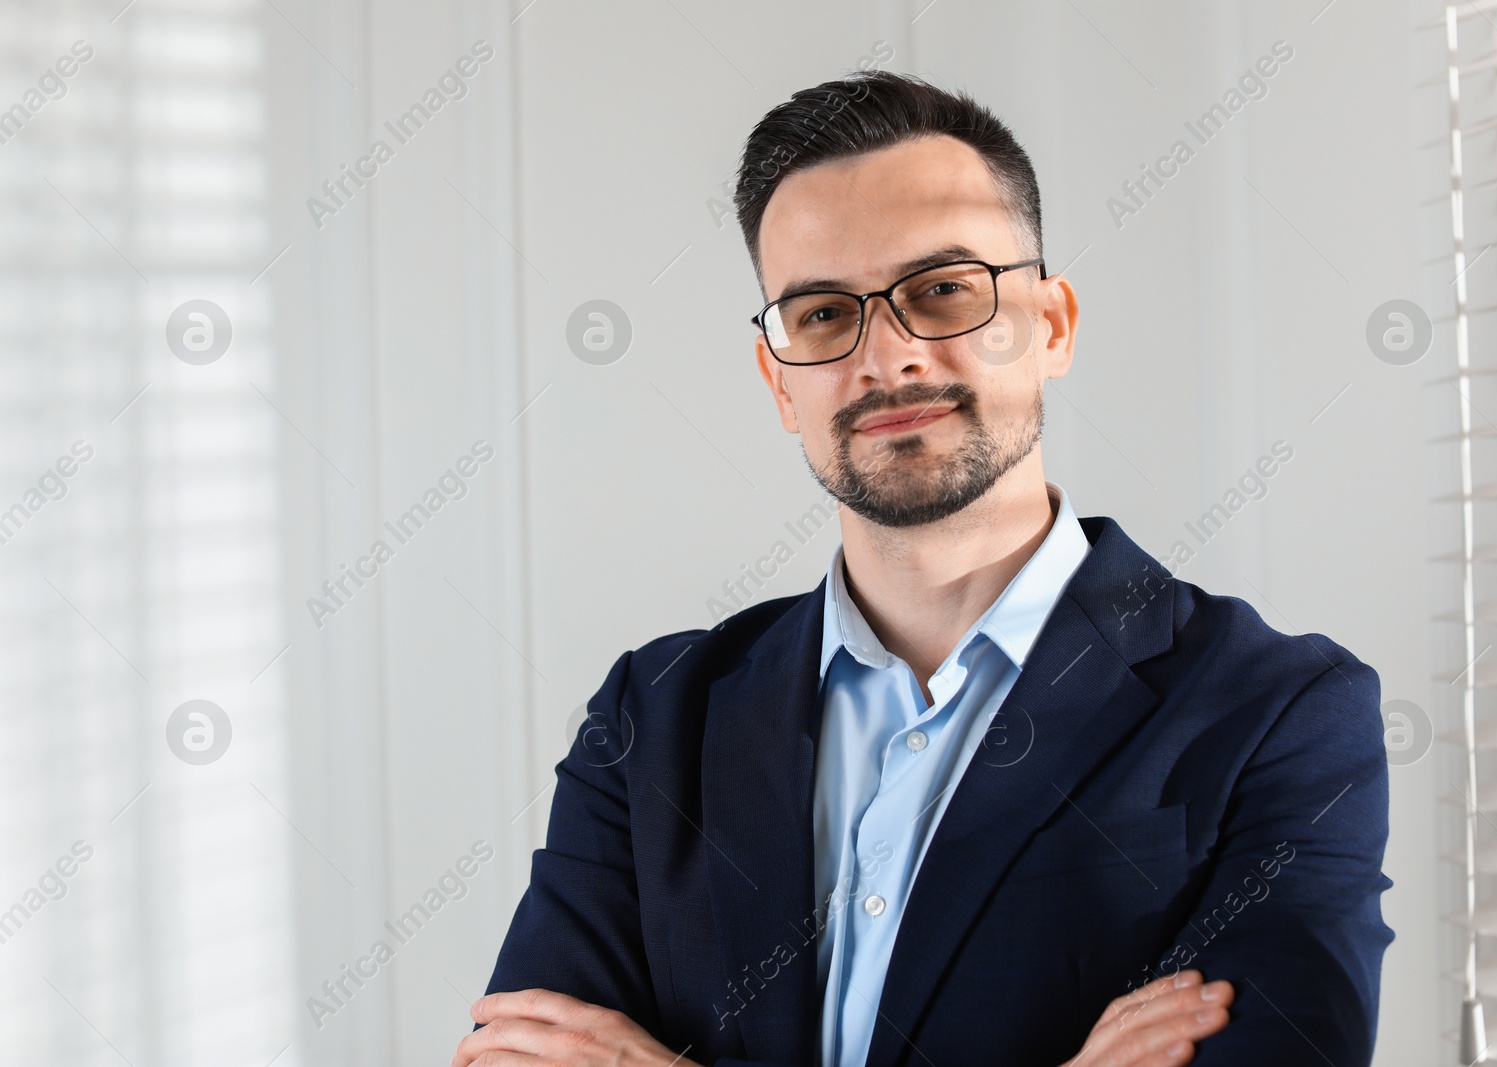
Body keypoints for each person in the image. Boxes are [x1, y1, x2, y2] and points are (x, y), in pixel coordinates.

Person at [454, 69, 1393, 1067]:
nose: (888, 357)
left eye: (941, 291)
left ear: (1052, 325)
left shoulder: (1278, 714)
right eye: (821, 314)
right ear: (780, 382)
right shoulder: (652, 717)